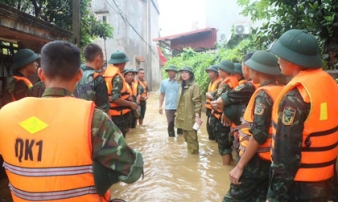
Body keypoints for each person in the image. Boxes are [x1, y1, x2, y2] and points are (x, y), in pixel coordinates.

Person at [0, 41, 144, 201]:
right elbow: (132, 172)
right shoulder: (94, 118)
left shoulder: (5, 115)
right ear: (79, 75)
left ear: (41, 74)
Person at [267, 29, 338, 201]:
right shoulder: (328, 82)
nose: (278, 60)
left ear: (293, 61)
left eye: (280, 55)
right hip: (325, 179)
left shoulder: (295, 97)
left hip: (298, 185)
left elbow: (286, 154)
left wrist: (274, 195)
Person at [223, 50, 284, 201]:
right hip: (272, 158)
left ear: (257, 71)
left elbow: (259, 134)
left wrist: (240, 166)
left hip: (255, 160)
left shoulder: (264, 94)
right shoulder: (282, 89)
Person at [210, 53, 258, 157]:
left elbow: (218, 101)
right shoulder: (254, 85)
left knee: (226, 148)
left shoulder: (247, 87)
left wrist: (224, 109)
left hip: (248, 132)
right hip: (247, 130)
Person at [209, 60, 239, 165]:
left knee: (224, 146)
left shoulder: (226, 85)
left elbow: (217, 99)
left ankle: (226, 166)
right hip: (225, 116)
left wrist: (211, 96)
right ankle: (229, 163)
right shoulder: (229, 82)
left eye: (219, 69)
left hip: (222, 118)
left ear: (225, 71)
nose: (218, 71)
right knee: (226, 144)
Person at [104, 51, 137, 138]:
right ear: (122, 63)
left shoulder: (106, 74)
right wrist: (131, 104)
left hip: (109, 113)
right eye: (125, 63)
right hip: (119, 116)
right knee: (120, 140)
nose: (125, 65)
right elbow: (116, 98)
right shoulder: (117, 77)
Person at [74, 43, 110, 115]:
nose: (103, 62)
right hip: (91, 120)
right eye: (103, 58)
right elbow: (104, 110)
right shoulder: (97, 78)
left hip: (74, 117)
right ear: (99, 57)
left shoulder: (73, 74)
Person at [176, 66, 202, 154]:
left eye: (186, 72)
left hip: (191, 116)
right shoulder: (181, 86)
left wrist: (197, 116)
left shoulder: (195, 86)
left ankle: (194, 157)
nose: (183, 74)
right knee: (186, 137)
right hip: (182, 116)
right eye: (182, 72)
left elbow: (197, 103)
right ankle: (191, 155)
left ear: (190, 74)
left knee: (192, 138)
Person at [159, 65, 181, 137]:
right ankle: (171, 139)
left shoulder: (180, 82)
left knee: (180, 125)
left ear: (175, 72)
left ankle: (180, 141)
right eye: (169, 71)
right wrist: (160, 106)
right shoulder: (164, 82)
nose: (170, 72)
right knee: (170, 123)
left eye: (172, 71)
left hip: (179, 107)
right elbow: (162, 95)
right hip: (168, 107)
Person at [204, 65, 221, 140]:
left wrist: (208, 95)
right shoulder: (211, 82)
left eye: (211, 72)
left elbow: (218, 97)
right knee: (209, 128)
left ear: (216, 73)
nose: (209, 74)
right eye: (209, 72)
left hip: (216, 109)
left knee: (214, 128)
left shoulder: (220, 83)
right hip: (209, 109)